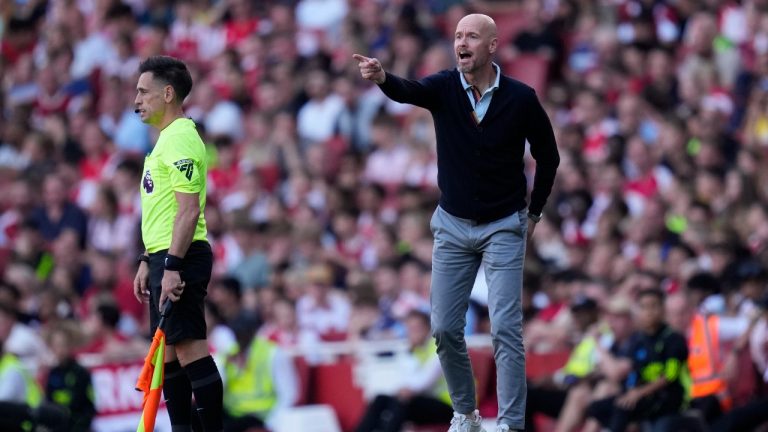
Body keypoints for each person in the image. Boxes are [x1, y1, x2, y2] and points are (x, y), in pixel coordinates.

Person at [354, 12, 560, 432]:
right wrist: (382, 77)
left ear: (492, 45)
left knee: (506, 329)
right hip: (451, 225)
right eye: (457, 36)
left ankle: (511, 423)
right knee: (445, 329)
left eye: (471, 36)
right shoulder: (445, 86)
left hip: (504, 225)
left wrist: (534, 212)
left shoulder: (521, 98)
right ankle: (465, 413)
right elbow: (408, 91)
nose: (461, 43)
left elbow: (549, 156)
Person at [132, 55, 223, 432]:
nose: (136, 100)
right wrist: (147, 258)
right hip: (163, 256)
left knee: (189, 347)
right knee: (167, 353)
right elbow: (164, 209)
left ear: (168, 93)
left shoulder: (181, 138)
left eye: (143, 92)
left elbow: (188, 210)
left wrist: (171, 265)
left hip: (181, 257)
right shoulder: (165, 140)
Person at [585, 288, 691, 432]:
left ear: (663, 310)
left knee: (622, 409)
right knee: (596, 408)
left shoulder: (673, 339)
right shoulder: (637, 341)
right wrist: (630, 392)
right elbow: (633, 371)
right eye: (644, 307)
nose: (649, 312)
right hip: (644, 397)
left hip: (668, 398)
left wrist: (639, 393)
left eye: (653, 306)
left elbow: (670, 375)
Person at [355, 309, 454, 432]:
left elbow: (424, 382)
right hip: (425, 400)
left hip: (449, 405)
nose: (412, 333)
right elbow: (402, 380)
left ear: (428, 328)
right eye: (409, 329)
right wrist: (409, 353)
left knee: (402, 403)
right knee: (380, 399)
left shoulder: (441, 347)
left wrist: (405, 390)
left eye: (417, 328)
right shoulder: (414, 350)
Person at [220, 314, 299, 432]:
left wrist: (273, 422)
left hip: (260, 416)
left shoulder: (273, 353)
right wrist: (227, 366)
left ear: (253, 332)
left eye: (242, 332)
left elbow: (289, 394)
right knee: (197, 414)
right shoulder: (229, 353)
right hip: (233, 412)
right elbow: (217, 389)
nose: (239, 337)